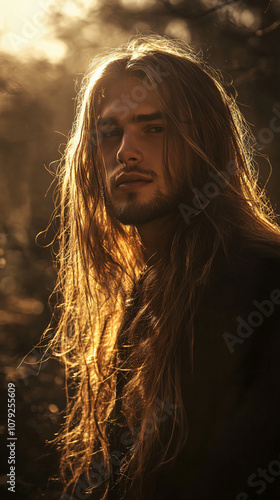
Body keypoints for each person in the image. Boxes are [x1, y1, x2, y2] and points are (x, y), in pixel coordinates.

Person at [46, 34, 280, 500]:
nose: (125, 152)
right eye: (109, 132)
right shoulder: (150, 289)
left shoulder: (263, 278)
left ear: (205, 142)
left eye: (154, 128)